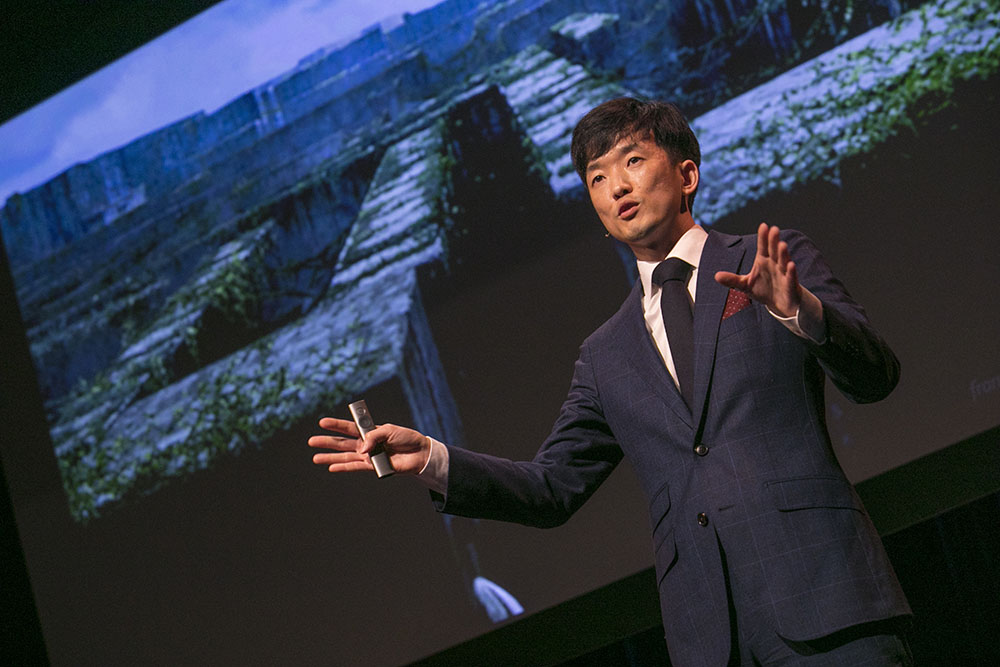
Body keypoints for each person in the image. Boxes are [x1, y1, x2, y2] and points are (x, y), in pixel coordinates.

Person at [308, 98, 912, 665]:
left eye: (633, 161)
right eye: (597, 177)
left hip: (827, 598)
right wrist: (435, 458)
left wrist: (799, 312)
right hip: (710, 639)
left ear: (686, 175)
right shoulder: (606, 354)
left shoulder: (768, 263)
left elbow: (876, 377)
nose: (617, 186)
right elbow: (551, 489)